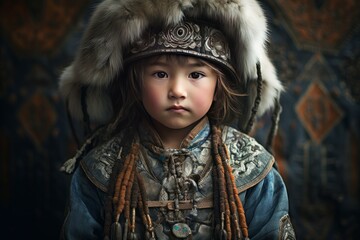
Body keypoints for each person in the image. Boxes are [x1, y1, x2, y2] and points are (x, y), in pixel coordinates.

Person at [59, 0, 296, 239]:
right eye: (160, 74)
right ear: (136, 83)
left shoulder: (252, 166)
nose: (177, 90)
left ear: (219, 85)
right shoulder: (100, 169)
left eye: (196, 74)